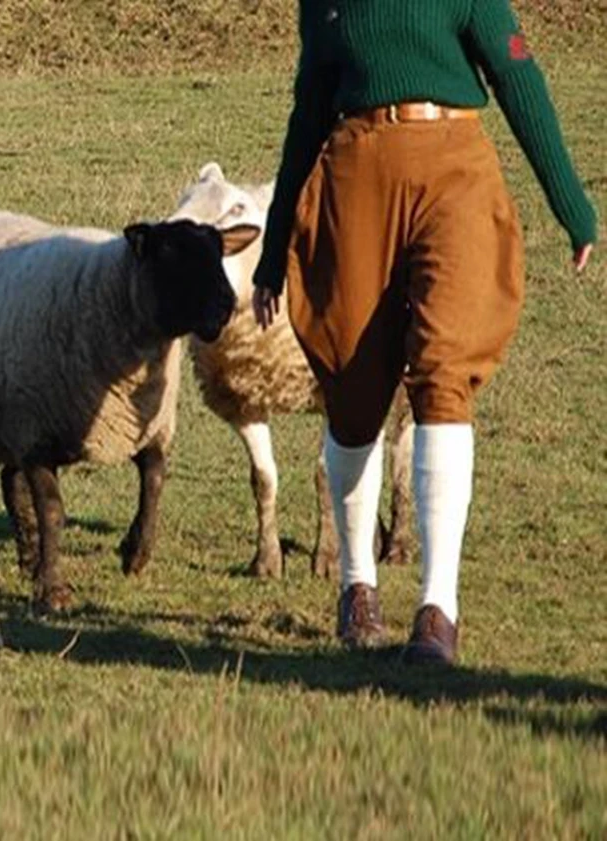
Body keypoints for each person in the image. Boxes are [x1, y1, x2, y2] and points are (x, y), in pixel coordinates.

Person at [251, 0, 597, 664]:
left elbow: (516, 71)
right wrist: (273, 251)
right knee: (351, 385)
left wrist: (570, 203)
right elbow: (308, 109)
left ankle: (439, 609)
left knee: (444, 368)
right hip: (356, 170)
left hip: (455, 167)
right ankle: (358, 586)